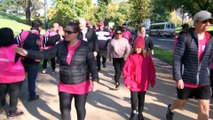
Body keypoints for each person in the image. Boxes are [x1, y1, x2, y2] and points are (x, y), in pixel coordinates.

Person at [16, 22, 99, 120]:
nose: (66, 34)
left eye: (69, 32)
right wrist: (27, 53)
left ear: (76, 33)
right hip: (65, 85)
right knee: (64, 110)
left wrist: (95, 80)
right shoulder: (60, 45)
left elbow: (92, 64)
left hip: (81, 84)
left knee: (80, 109)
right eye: (65, 31)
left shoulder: (85, 46)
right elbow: (45, 54)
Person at [167, 10, 213, 120]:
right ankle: (171, 108)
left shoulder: (210, 39)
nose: (208, 24)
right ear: (196, 22)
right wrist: (178, 78)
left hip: (204, 79)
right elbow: (177, 58)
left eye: (210, 21)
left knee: (204, 108)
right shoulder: (186, 38)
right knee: (181, 103)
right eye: (205, 21)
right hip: (187, 78)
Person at [16, 19, 61, 101]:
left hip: (23, 60)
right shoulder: (41, 37)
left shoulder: (23, 33)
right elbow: (51, 41)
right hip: (34, 61)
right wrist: (58, 35)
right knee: (32, 79)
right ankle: (32, 95)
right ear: (40, 27)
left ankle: (14, 94)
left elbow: (15, 43)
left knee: (20, 78)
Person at [123, 36, 156, 120]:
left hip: (143, 83)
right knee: (134, 99)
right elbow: (126, 69)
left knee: (141, 99)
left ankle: (140, 112)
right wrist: (127, 81)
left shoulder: (147, 58)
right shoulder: (131, 57)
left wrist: (152, 80)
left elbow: (151, 70)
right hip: (133, 82)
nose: (137, 49)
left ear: (142, 47)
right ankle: (134, 111)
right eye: (135, 47)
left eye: (139, 47)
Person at [0, 28, 25, 118]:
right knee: (14, 95)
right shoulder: (16, 48)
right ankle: (11, 112)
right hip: (16, 77)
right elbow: (25, 55)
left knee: (1, 94)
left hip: (1, 76)